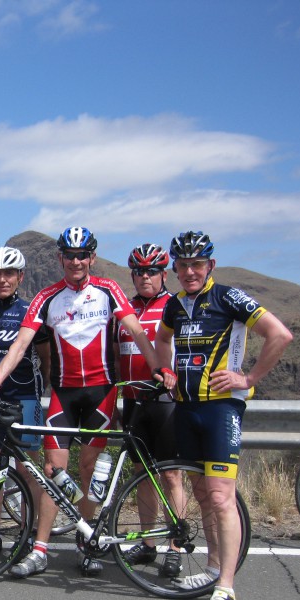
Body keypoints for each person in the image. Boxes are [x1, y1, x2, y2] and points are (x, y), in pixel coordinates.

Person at [0, 226, 174, 578]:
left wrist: (159, 368)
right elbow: (21, 345)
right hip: (64, 394)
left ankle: (87, 542)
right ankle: (40, 549)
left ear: (92, 257)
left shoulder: (108, 289)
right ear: (60, 259)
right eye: (69, 255)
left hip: (101, 392)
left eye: (82, 254)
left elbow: (135, 331)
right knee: (54, 473)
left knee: (89, 470)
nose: (75, 261)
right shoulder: (47, 296)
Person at [155, 231, 292, 600]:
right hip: (186, 408)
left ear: (210, 265)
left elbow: (279, 335)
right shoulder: (175, 305)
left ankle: (225, 589)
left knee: (219, 497)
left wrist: (248, 379)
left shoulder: (228, 297)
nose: (189, 271)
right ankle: (213, 568)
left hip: (220, 411)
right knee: (201, 493)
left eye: (197, 264)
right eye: (182, 265)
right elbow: (163, 341)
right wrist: (165, 369)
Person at [0, 247, 50, 560]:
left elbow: (45, 360)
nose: (3, 279)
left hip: (26, 398)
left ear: (20, 276)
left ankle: (27, 532)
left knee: (26, 469)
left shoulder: (31, 313)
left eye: (9, 273)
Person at [115, 244, 185, 576]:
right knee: (142, 475)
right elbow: (117, 355)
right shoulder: (124, 309)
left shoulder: (175, 306)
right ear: (132, 275)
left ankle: (176, 544)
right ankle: (147, 543)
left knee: (170, 474)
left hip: (165, 403)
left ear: (164, 274)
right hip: (132, 402)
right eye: (140, 271)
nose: (146, 277)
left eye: (152, 271)